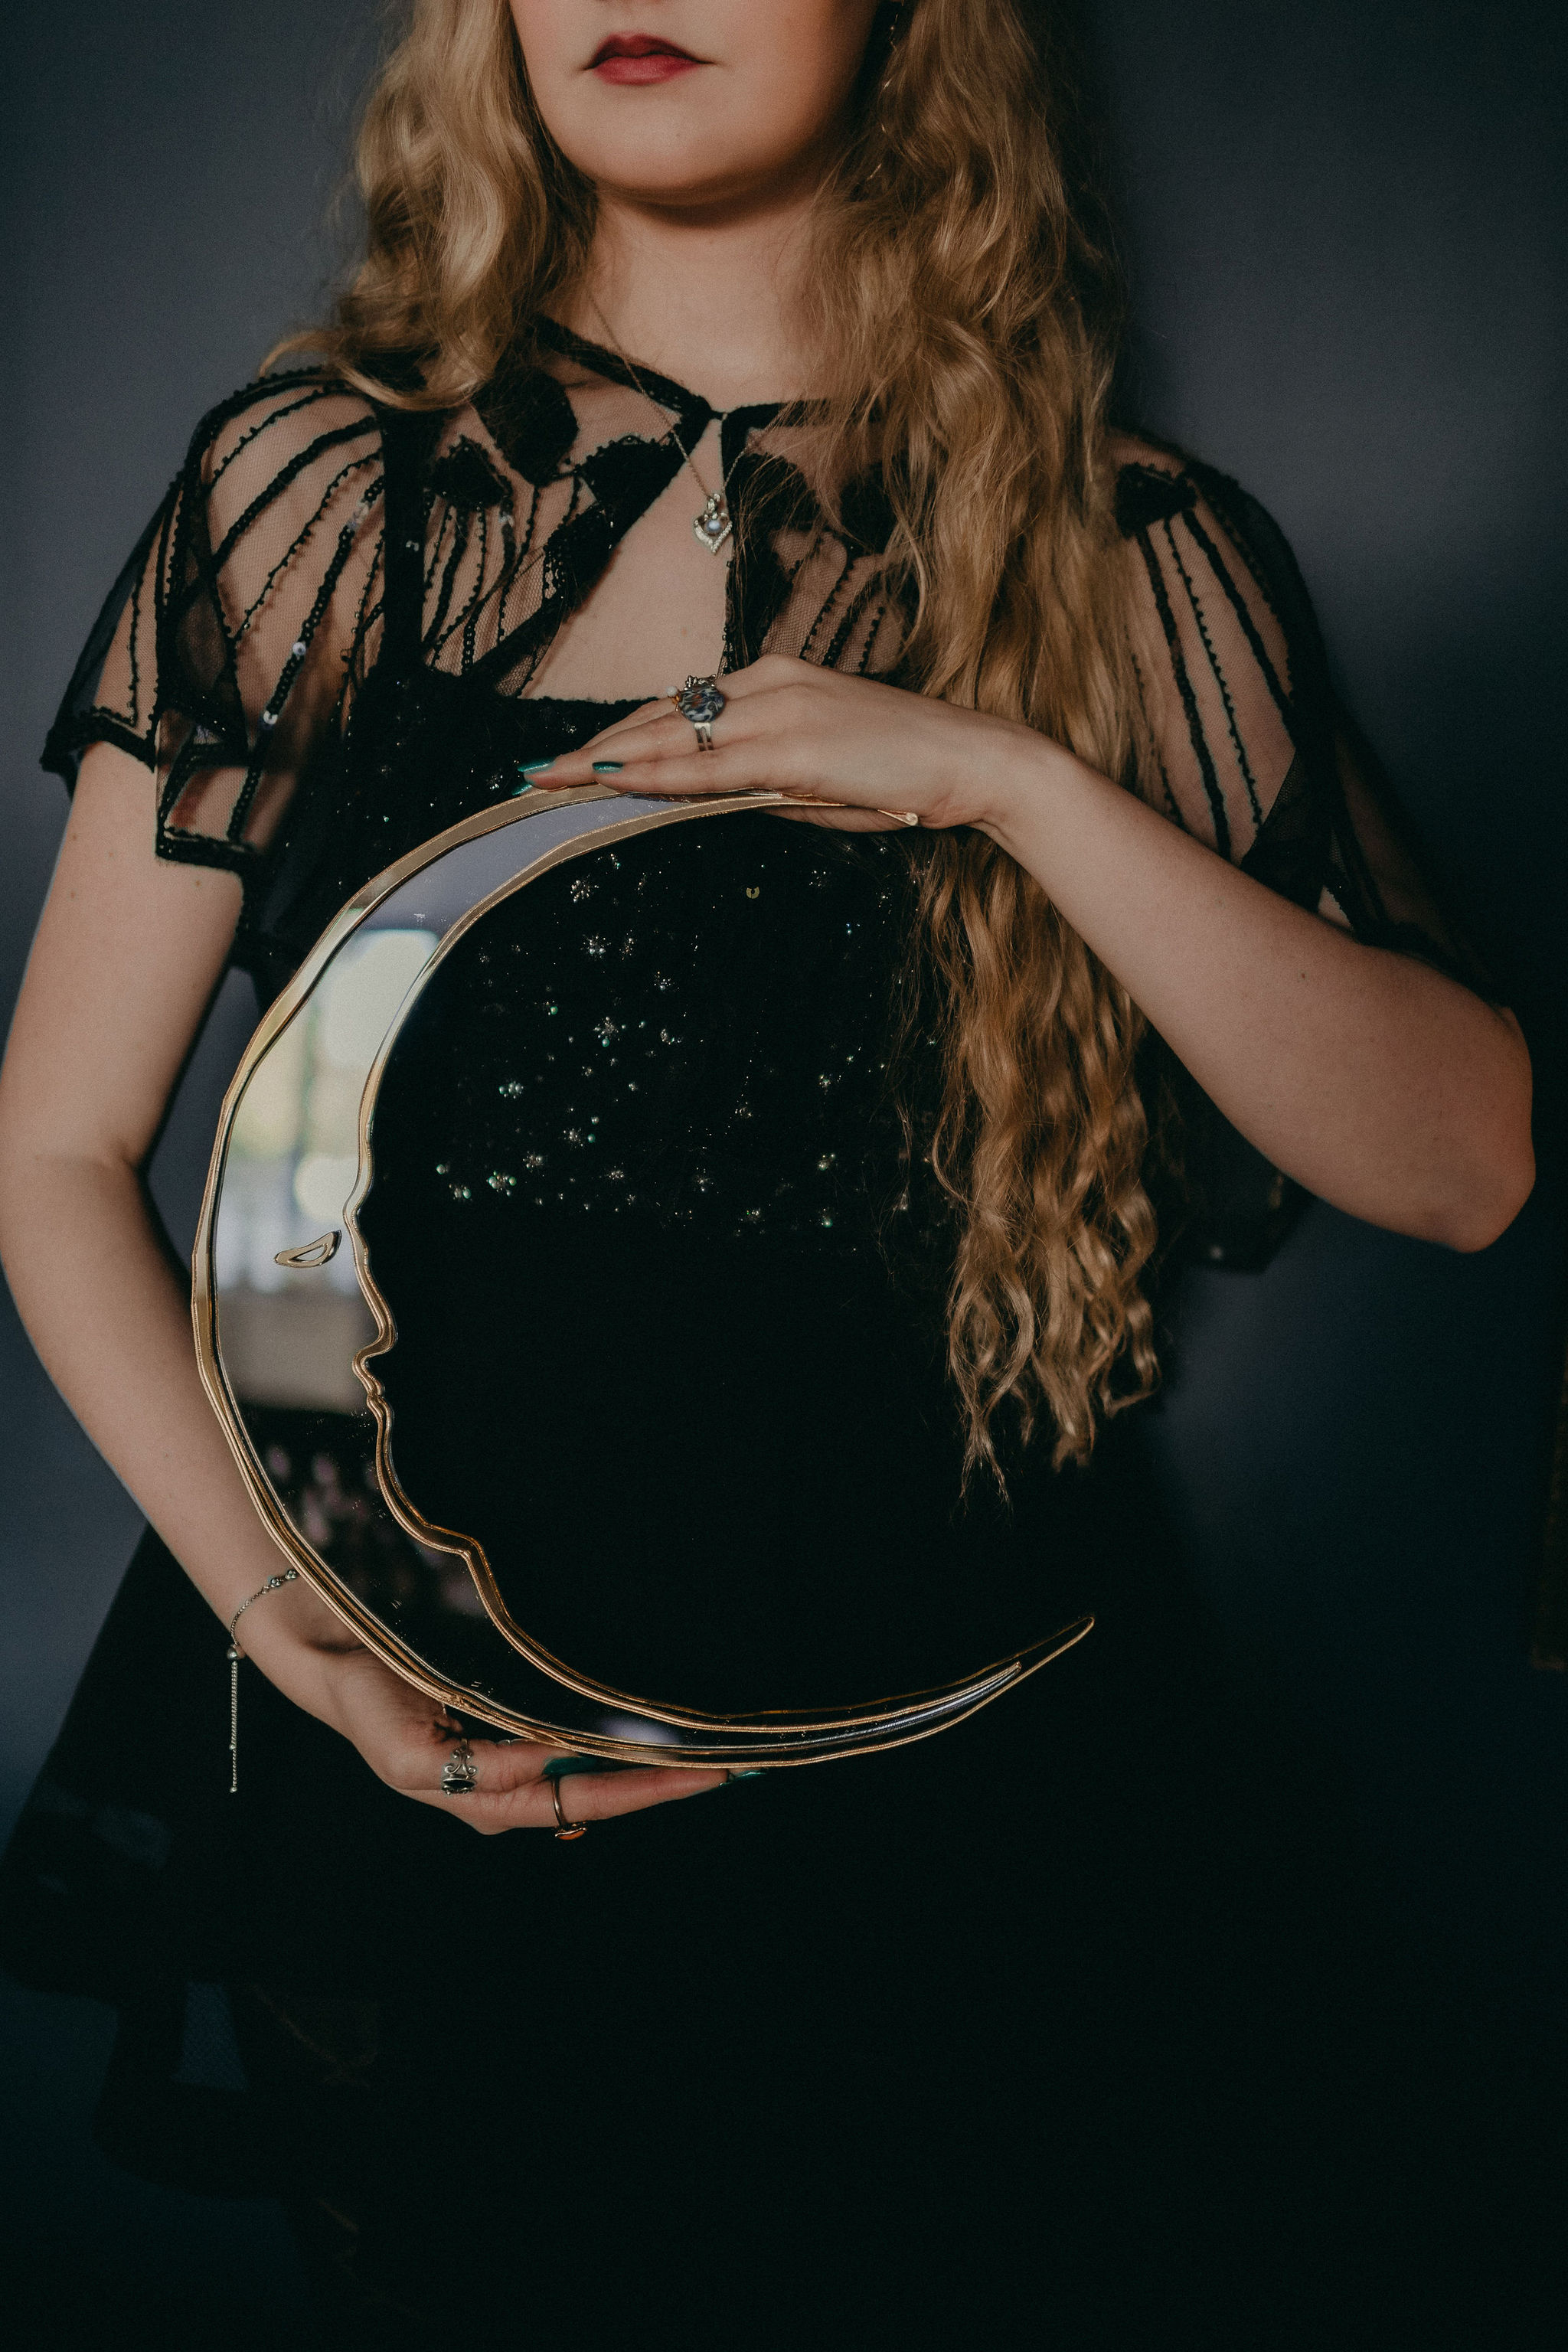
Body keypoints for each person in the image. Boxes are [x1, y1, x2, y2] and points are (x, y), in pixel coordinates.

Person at [0, 2, 1534, 2341]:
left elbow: (1471, 1165)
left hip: (952, 1767)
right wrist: (294, 1631)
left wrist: (1013, 781)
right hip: (425, 1713)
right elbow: (63, 1145)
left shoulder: (1131, 548)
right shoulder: (327, 490)